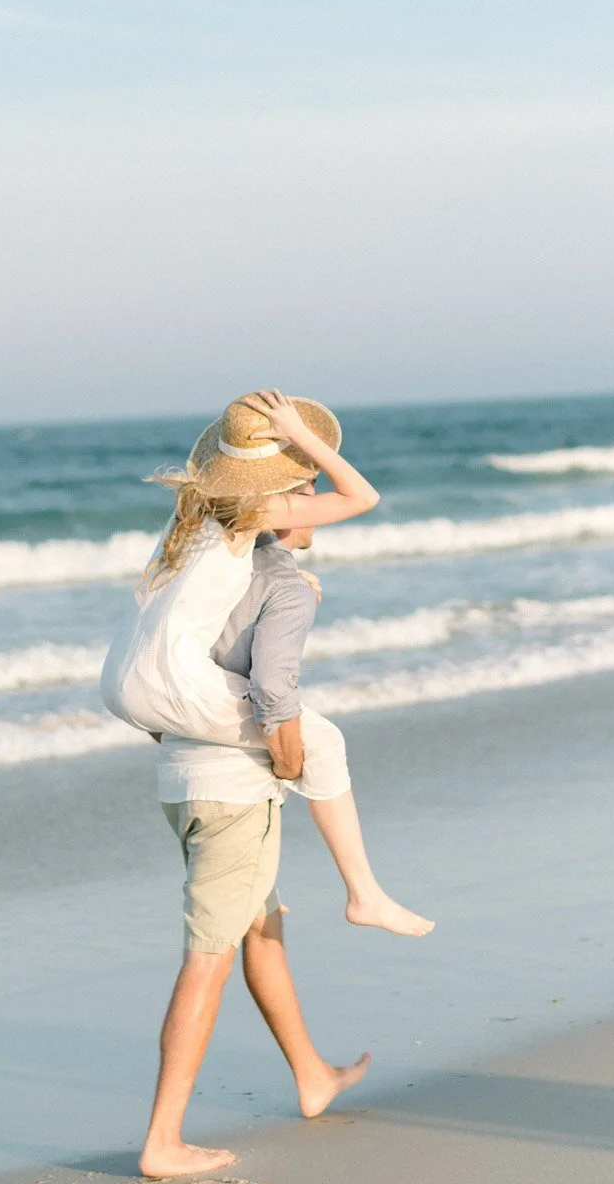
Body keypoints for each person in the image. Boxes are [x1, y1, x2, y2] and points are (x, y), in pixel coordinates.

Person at [101, 390, 430, 1177]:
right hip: (232, 795)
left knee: (261, 930)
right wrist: (298, 437)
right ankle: (162, 1140)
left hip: (180, 774)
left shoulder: (193, 536)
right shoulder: (271, 567)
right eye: (299, 489)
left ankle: (312, 1075)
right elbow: (360, 498)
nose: (310, 502)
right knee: (208, 958)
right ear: (275, 494)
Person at [101, 388, 433, 935]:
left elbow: (206, 587)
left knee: (245, 741)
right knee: (319, 742)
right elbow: (362, 496)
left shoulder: (194, 512)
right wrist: (301, 435)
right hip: (171, 680)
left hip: (121, 679)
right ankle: (364, 895)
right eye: (302, 478)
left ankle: (256, 888)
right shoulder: (255, 508)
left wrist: (291, 579)